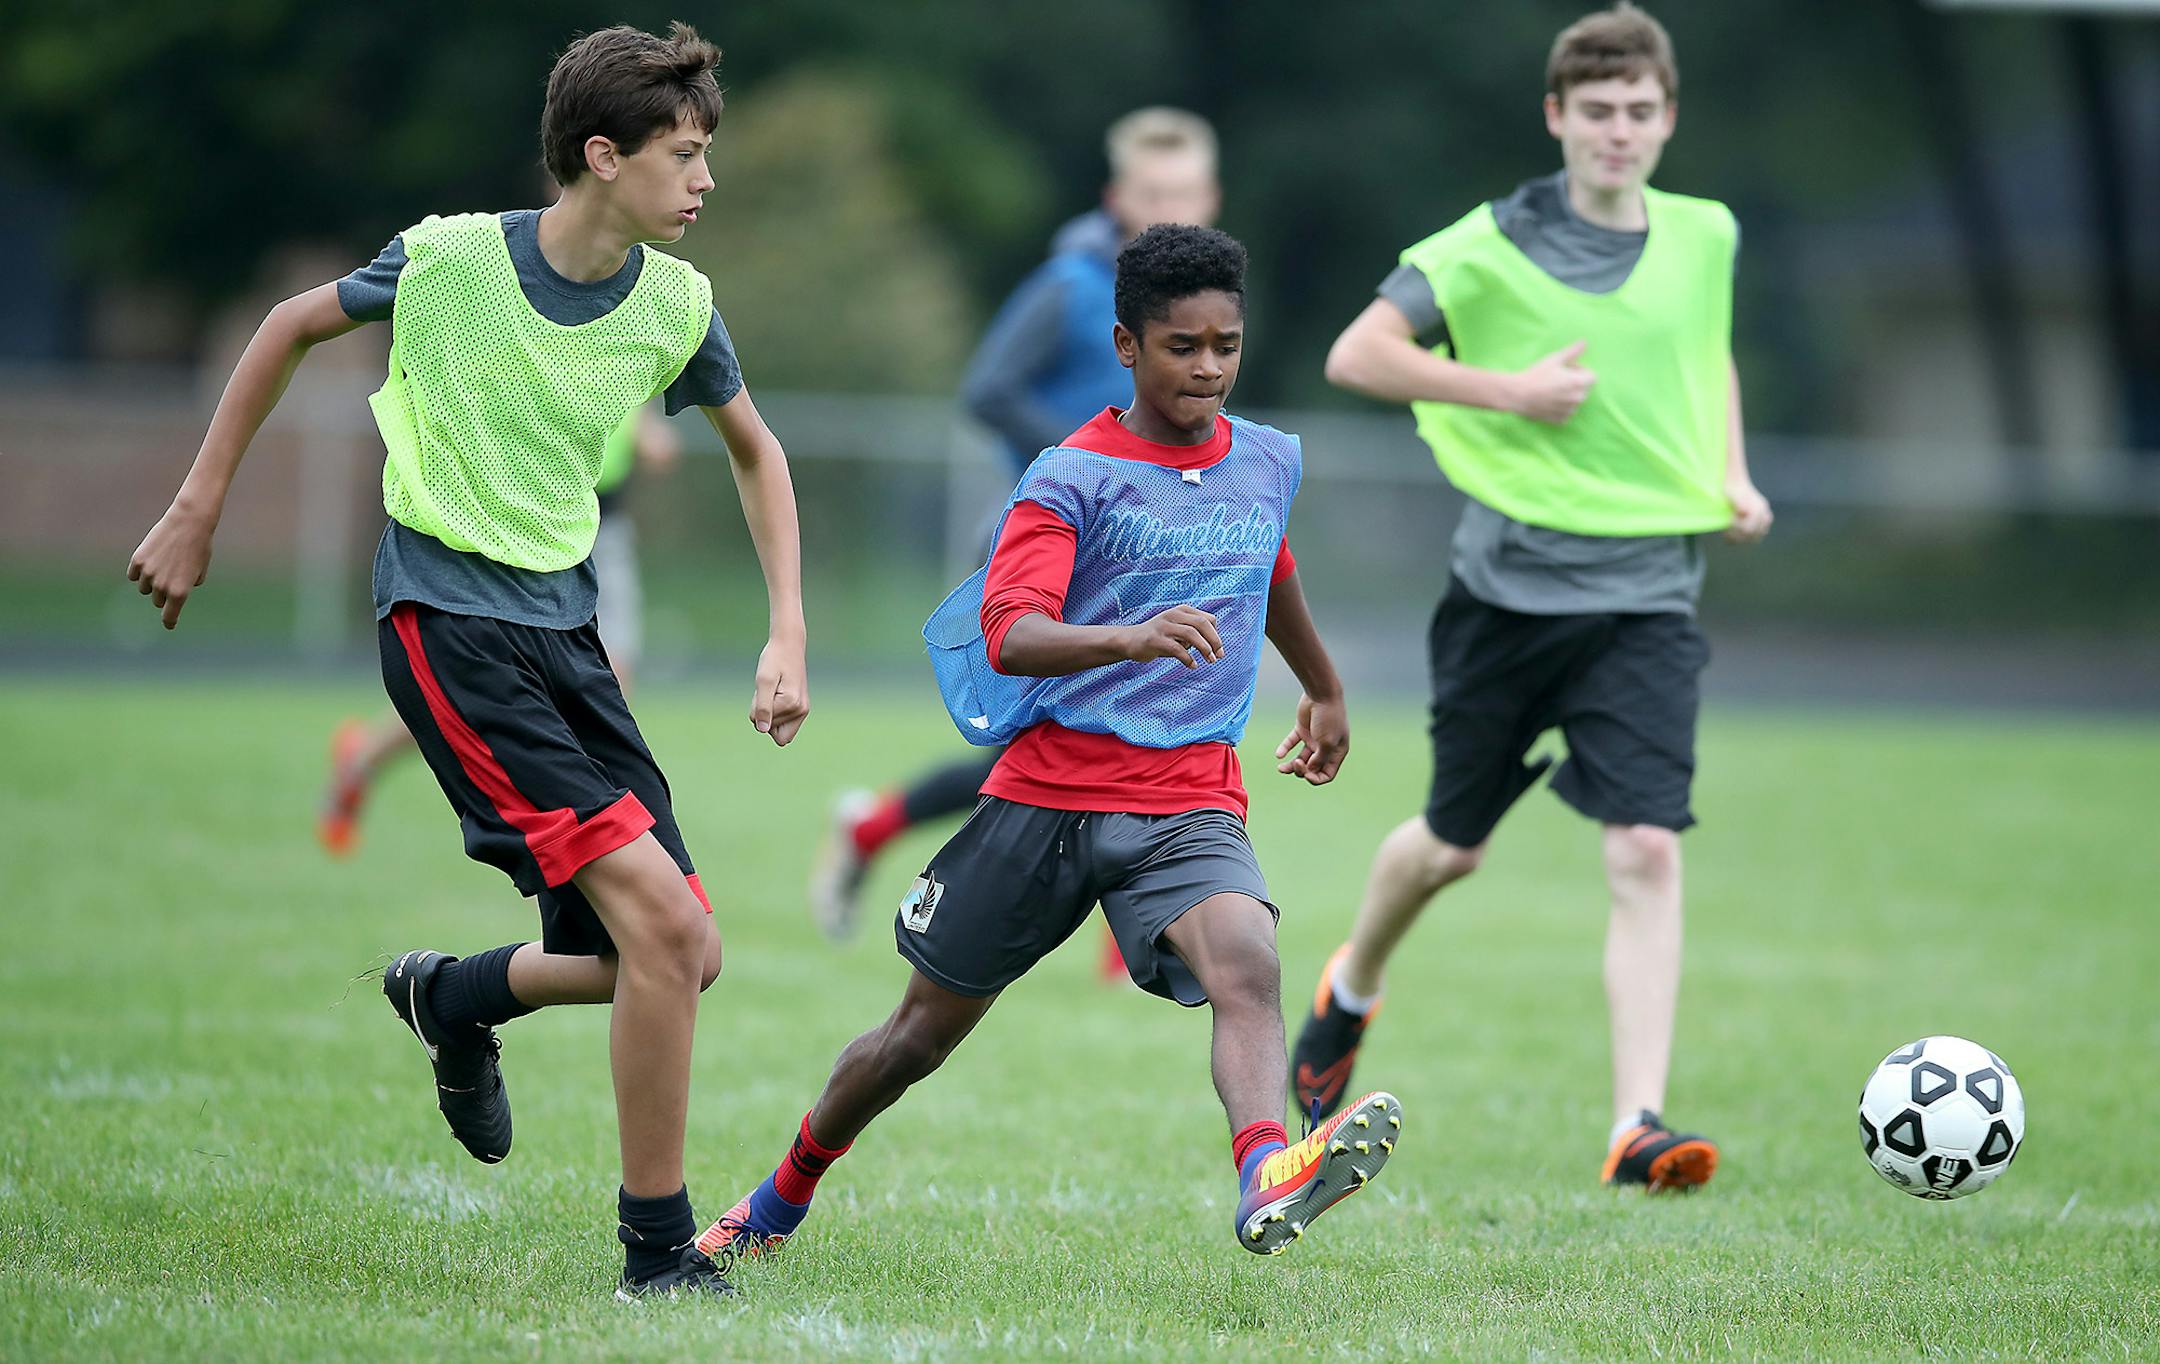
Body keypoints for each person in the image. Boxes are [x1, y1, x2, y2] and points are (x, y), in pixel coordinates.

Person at [126, 24, 809, 1296]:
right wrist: (198, 502)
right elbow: (286, 324)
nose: (705, 178)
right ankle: (658, 1252)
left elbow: (757, 452)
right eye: (686, 153)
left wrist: (788, 629)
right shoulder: (447, 259)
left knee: (680, 952)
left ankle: (452, 997)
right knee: (662, 928)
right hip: (448, 624)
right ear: (602, 157)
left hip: (569, 631)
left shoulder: (676, 302)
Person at [700, 225, 1402, 1263]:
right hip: (1048, 793)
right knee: (915, 1040)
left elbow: (1271, 561)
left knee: (1248, 958)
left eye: (1226, 345)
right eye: (1182, 347)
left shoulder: (1266, 459)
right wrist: (1130, 634)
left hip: (1187, 792)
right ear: (1127, 345)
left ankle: (1266, 1169)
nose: (1207, 368)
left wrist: (1327, 686)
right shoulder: (1069, 474)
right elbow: (1009, 628)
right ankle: (774, 1200)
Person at [1292, 1, 1771, 1193]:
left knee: (1647, 846)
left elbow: (1705, 353)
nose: (1620, 132)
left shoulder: (1706, 232)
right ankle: (1351, 983)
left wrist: (1733, 472)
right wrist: (1506, 390)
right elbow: (1355, 355)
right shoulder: (1487, 243)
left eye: (1641, 112)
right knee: (1450, 848)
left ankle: (1637, 1125)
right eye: (1597, 112)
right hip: (1508, 593)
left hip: (1652, 590)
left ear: (1669, 119)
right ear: (1558, 117)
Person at [808, 110, 1222, 982]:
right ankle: (888, 836)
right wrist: (1088, 459)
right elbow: (989, 388)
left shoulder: (1203, 306)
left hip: (1148, 552)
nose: (1169, 208)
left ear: (1210, 199)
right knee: (1039, 750)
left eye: (1184, 194)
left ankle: (1125, 935)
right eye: (1153, 195)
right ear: (1117, 199)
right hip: (1047, 545)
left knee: (1150, 720)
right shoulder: (1071, 288)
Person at [316, 405, 679, 857]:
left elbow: (628, 403)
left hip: (604, 533)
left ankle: (591, 848)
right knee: (473, 696)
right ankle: (365, 758)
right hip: (534, 530)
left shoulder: (627, 341)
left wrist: (649, 430)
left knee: (611, 685)